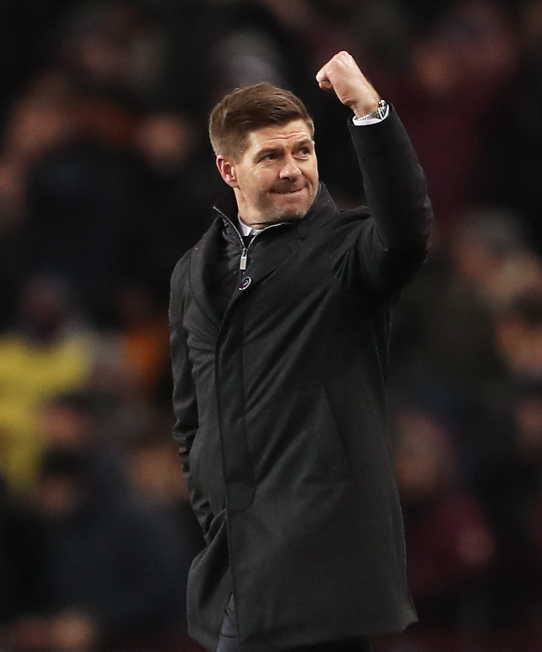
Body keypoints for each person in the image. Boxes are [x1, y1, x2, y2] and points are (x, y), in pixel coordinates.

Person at [169, 51, 432, 652]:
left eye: (303, 151)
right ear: (228, 170)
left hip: (322, 566)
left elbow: (408, 234)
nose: (293, 170)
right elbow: (189, 414)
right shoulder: (194, 271)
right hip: (235, 567)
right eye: (272, 156)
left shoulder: (346, 251)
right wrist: (215, 505)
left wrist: (369, 109)